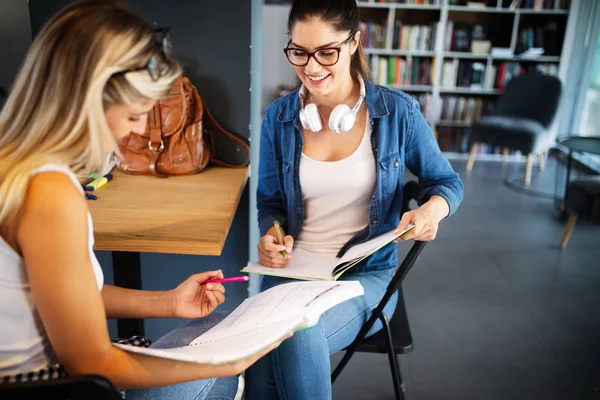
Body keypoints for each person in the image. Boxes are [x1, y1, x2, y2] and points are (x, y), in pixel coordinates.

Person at [0, 1, 288, 399]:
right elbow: (92, 365)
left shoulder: (15, 163)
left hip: (58, 375)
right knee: (219, 369)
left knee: (214, 325)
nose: (132, 134)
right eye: (135, 116)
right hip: (54, 385)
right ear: (91, 98)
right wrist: (228, 365)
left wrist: (169, 302)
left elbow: (67, 297)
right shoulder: (50, 192)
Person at [246, 0, 464, 398]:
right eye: (299, 52)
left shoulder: (398, 112)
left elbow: (446, 182)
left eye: (326, 52)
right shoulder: (277, 118)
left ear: (353, 43)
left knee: (295, 332)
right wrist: (272, 234)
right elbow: (270, 203)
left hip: (367, 276)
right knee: (261, 363)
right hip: (293, 272)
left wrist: (433, 209)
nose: (311, 68)